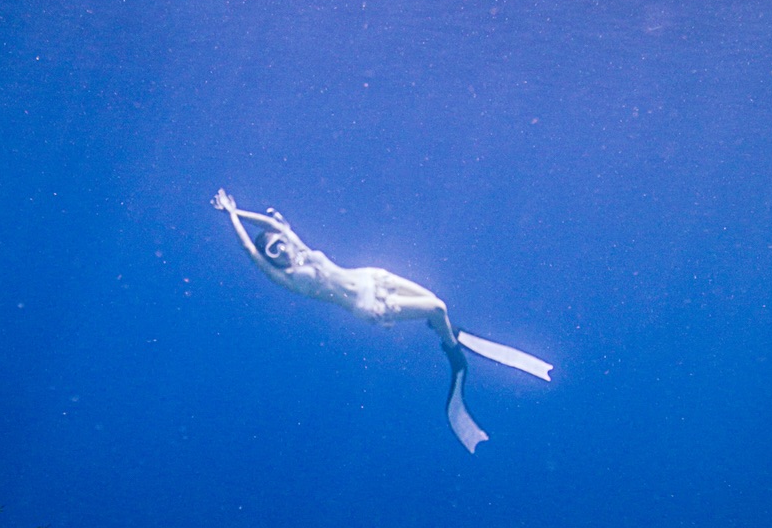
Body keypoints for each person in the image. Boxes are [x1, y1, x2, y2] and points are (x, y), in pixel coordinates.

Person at [212, 190, 551, 452]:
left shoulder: (299, 248)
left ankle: (451, 333)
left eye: (279, 245)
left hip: (373, 276)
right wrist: (231, 219)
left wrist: (239, 209)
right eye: (274, 252)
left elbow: (274, 226)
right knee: (435, 308)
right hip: (370, 304)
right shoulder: (285, 278)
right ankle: (454, 353)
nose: (281, 251)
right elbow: (249, 250)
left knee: (439, 305)